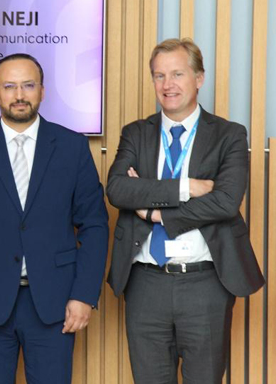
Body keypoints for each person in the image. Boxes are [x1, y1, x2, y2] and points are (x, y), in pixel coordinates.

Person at [0, 53, 109, 384]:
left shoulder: (72, 147)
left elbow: (94, 225)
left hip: (55, 304)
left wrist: (84, 295)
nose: (19, 95)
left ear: (42, 91)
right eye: (9, 86)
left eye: (28, 85)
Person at [106, 38, 264, 383]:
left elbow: (225, 201)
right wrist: (187, 187)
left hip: (205, 284)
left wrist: (155, 213)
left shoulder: (229, 135)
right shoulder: (135, 133)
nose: (168, 85)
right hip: (145, 283)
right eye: (159, 75)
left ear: (199, 78)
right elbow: (118, 189)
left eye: (177, 74)